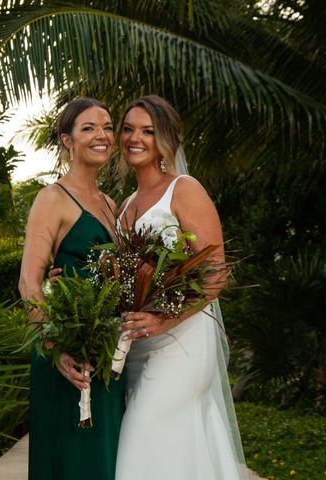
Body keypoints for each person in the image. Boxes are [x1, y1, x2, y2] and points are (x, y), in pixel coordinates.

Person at [114, 95, 248, 479]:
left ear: (166, 139)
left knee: (142, 438)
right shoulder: (125, 206)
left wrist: (164, 320)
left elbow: (216, 272)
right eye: (128, 129)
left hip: (184, 341)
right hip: (139, 347)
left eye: (147, 131)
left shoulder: (184, 189)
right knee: (171, 449)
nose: (134, 138)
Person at [19, 97, 126, 480]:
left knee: (102, 459)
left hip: (107, 348)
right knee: (71, 460)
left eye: (108, 127)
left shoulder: (112, 205)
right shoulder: (52, 198)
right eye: (89, 128)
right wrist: (56, 346)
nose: (102, 135)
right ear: (67, 140)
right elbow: (29, 281)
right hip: (67, 351)